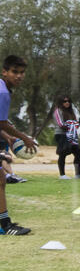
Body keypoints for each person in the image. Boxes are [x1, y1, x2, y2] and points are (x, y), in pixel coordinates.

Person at [0, 55, 37, 233]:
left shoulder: (3, 89)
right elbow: (2, 123)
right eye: (15, 72)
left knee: (0, 179)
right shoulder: (3, 92)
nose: (19, 76)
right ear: (4, 72)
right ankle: (5, 225)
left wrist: (7, 138)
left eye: (22, 72)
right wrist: (25, 138)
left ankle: (4, 224)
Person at [52, 95, 80, 180]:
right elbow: (61, 124)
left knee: (78, 153)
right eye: (65, 101)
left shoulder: (72, 112)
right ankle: (62, 175)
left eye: (69, 101)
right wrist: (71, 126)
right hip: (61, 134)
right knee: (63, 153)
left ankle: (78, 174)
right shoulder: (58, 111)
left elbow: (76, 122)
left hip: (72, 135)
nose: (67, 103)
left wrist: (75, 126)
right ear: (61, 102)